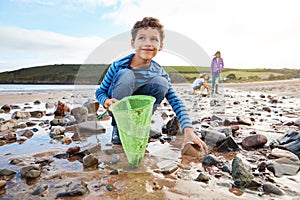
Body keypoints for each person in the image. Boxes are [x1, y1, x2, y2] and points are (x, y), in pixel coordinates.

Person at [95, 17, 208, 153]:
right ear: (133, 43)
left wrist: (188, 129)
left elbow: (176, 101)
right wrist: (106, 101)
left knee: (161, 83)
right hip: (120, 107)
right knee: (126, 75)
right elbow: (100, 92)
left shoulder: (160, 72)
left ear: (160, 46)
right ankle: (119, 129)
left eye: (154, 39)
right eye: (142, 38)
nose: (148, 43)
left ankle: (139, 126)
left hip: (140, 110)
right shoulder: (118, 65)